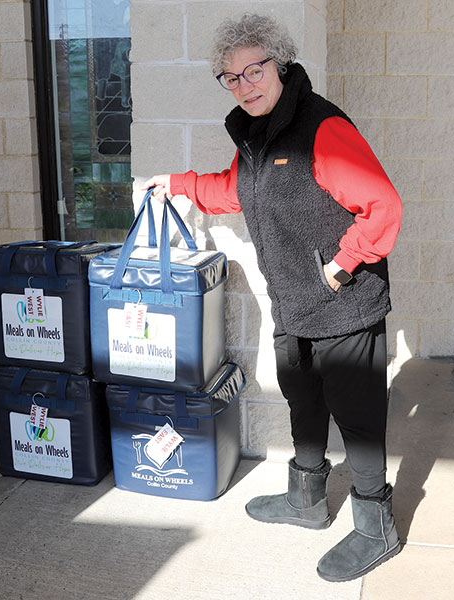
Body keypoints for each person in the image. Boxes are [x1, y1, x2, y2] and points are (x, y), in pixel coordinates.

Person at [142, 13, 403, 582]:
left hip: (344, 303)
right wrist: (179, 184)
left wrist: (339, 267)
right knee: (303, 402)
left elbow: (383, 206)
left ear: (280, 66)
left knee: (356, 417)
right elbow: (236, 190)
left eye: (255, 70)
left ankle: (375, 525)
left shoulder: (321, 129)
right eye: (231, 77)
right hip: (294, 300)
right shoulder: (256, 136)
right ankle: (307, 502)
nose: (245, 84)